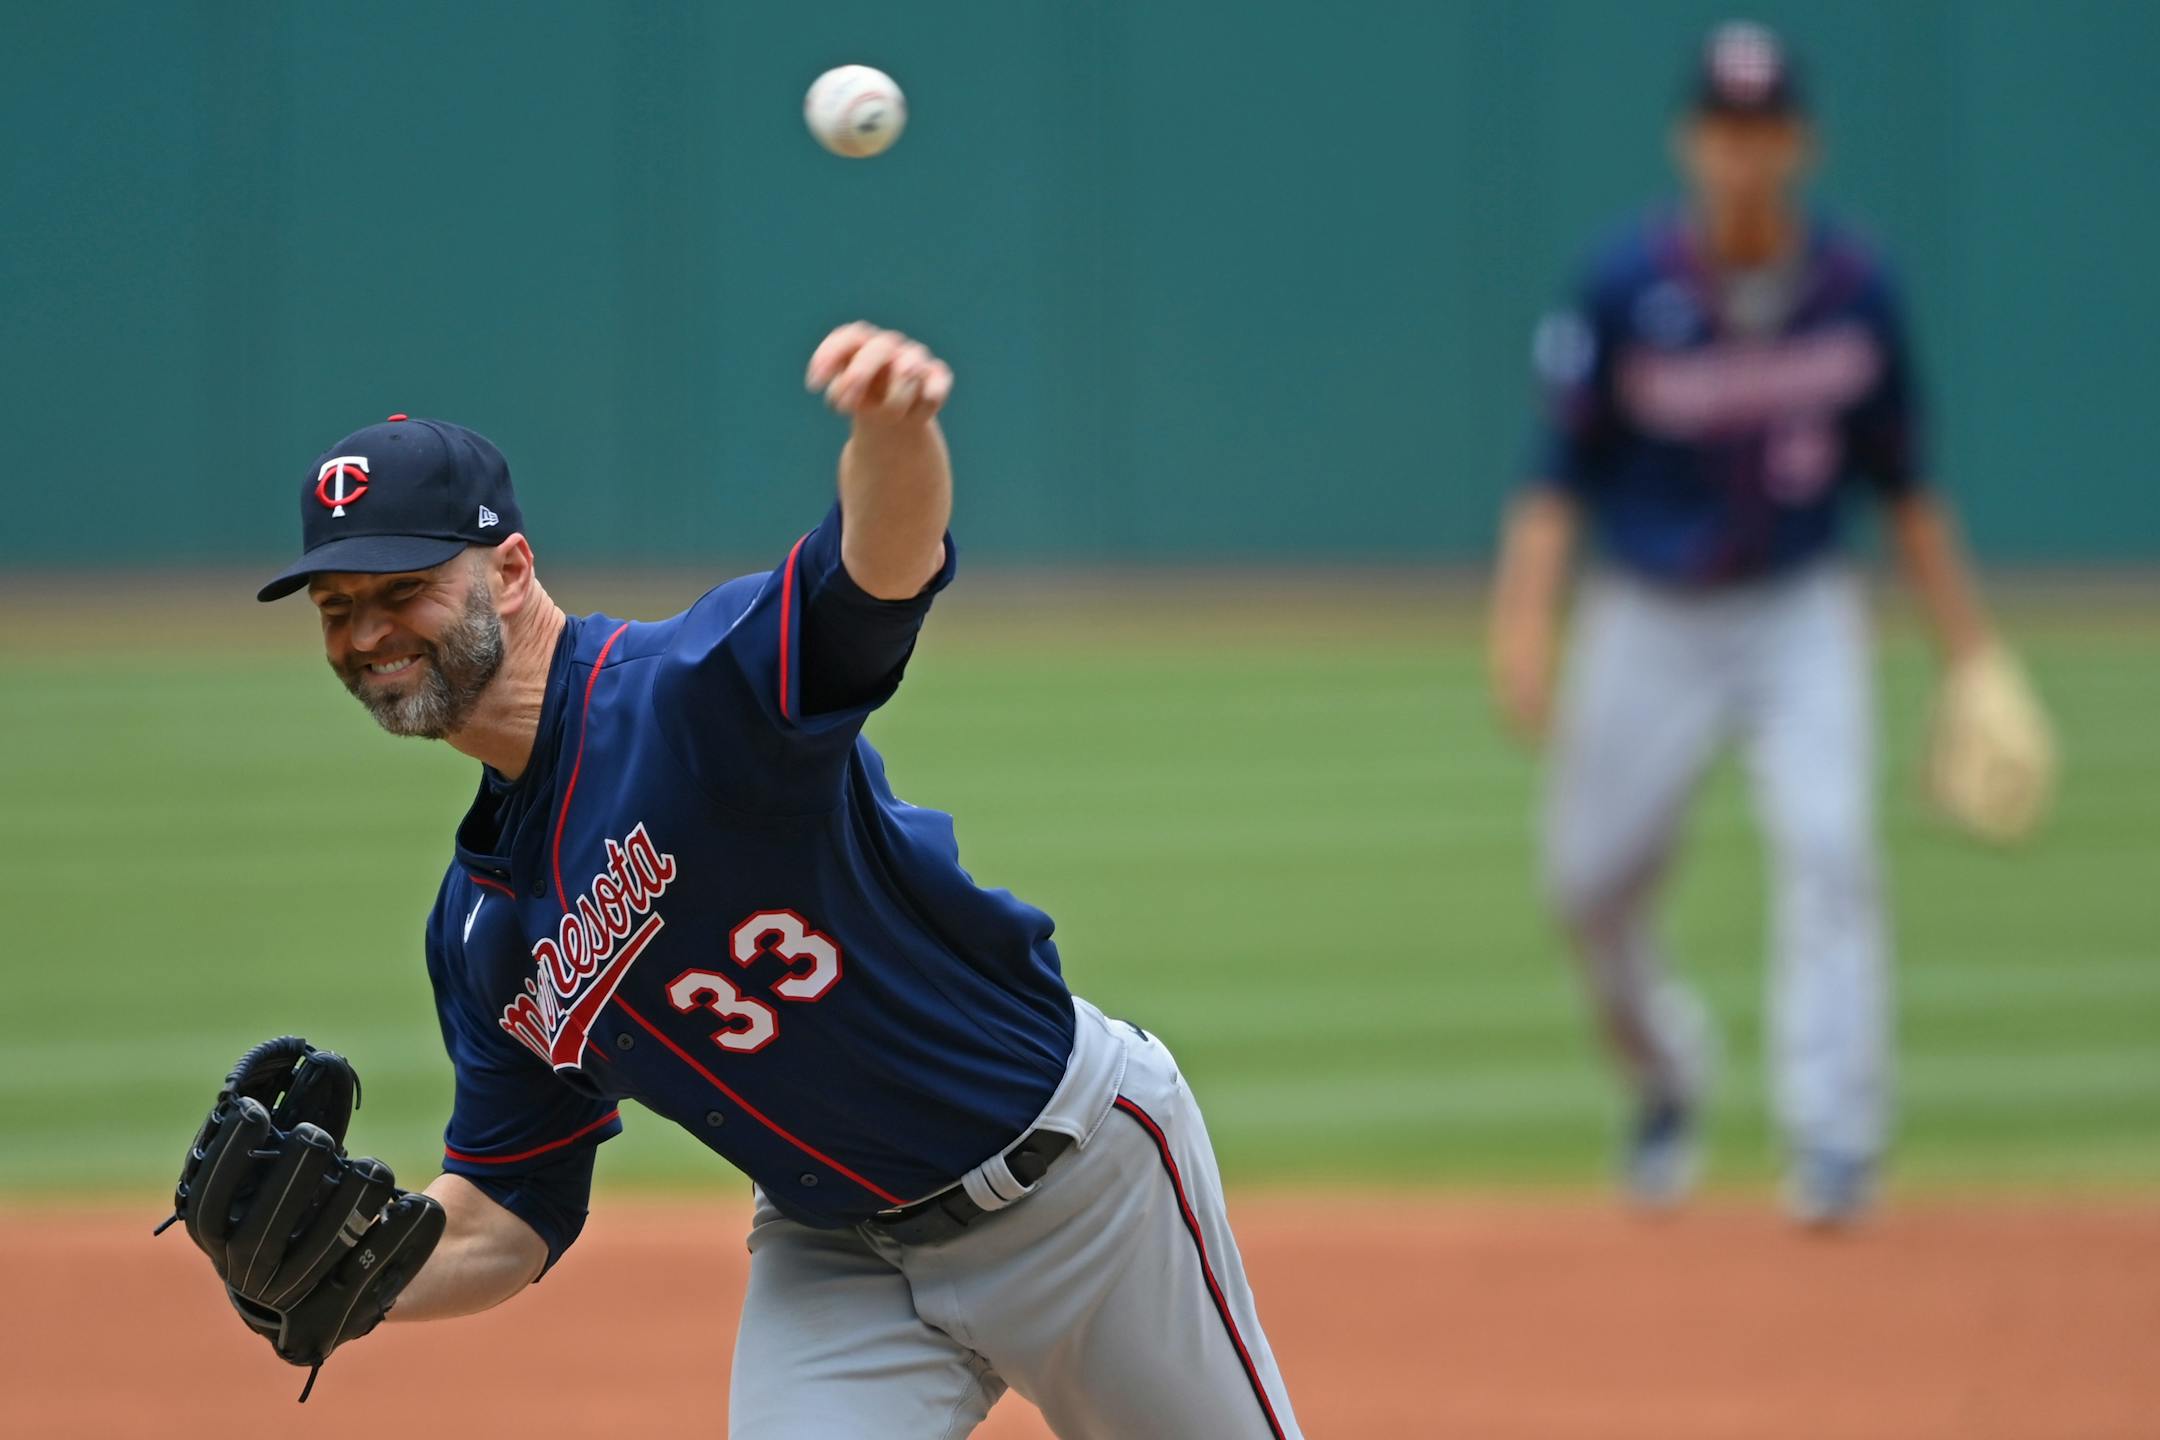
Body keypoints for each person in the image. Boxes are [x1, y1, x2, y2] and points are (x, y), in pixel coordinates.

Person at [252, 322, 1302, 1437]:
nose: (369, 635)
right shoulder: (479, 932)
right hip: (835, 1250)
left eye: (402, 589)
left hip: (1074, 1189)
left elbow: (873, 575)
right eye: (336, 608)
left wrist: (896, 432)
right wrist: (354, 1277)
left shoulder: (690, 695)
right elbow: (508, 1209)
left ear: (510, 571)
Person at [1486, 22, 2001, 1226]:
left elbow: (1908, 491)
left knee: (1830, 850)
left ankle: (1836, 1143)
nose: (1744, 152)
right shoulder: (1624, 285)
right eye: (1725, 128)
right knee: (1588, 884)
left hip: (1801, 608)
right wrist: (1524, 624)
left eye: (1764, 128)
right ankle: (1666, 1077)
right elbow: (1552, 477)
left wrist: (1970, 653)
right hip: (1646, 616)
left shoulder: (1857, 289)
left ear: (1801, 142)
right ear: (1690, 140)